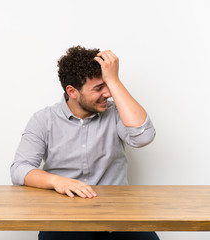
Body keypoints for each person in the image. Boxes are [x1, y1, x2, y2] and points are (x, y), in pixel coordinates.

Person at [10, 46, 159, 240]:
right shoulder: (43, 120)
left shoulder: (116, 113)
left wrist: (114, 80)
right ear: (72, 91)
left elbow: (143, 137)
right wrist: (57, 182)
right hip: (64, 217)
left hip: (119, 214)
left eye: (107, 85)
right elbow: (19, 169)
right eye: (99, 88)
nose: (107, 93)